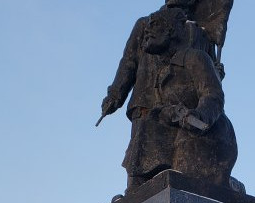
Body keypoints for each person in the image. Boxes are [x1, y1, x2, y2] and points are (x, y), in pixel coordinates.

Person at [101, 7, 237, 189]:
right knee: (142, 146)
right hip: (148, 100)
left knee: (179, 162)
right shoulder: (146, 23)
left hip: (189, 109)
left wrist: (215, 74)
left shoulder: (200, 34)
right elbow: (129, 61)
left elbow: (210, 86)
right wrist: (115, 94)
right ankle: (135, 190)